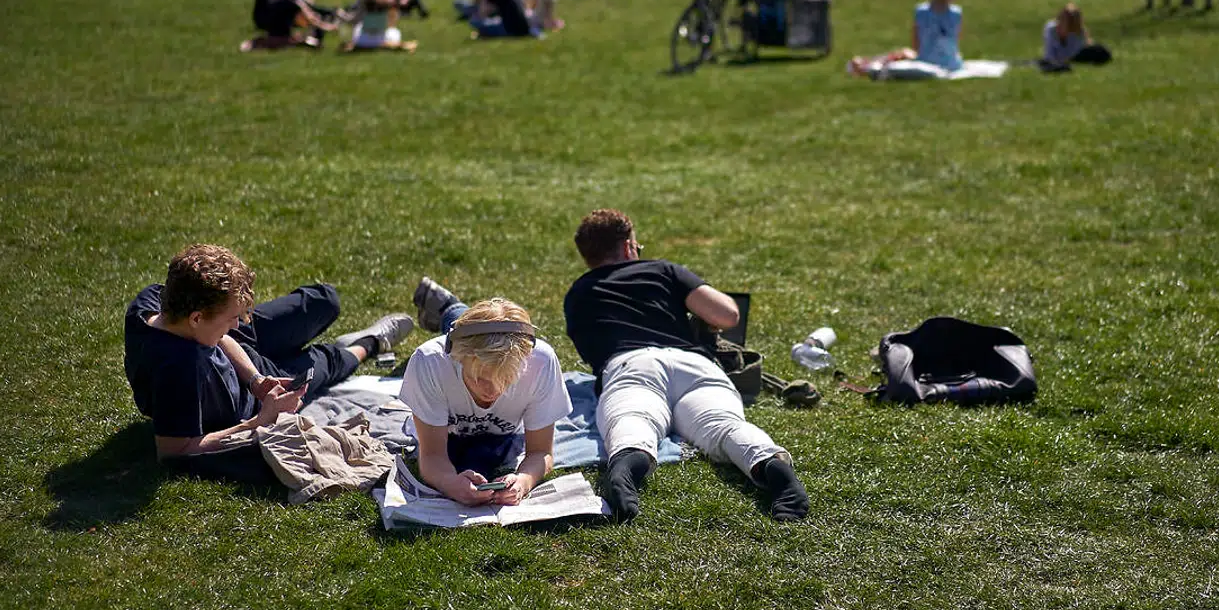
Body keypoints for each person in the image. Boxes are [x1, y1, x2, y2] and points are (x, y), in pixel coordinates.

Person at [563, 210, 808, 523]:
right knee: (724, 425)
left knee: (634, 420)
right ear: (627, 246)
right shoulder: (663, 270)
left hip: (632, 365)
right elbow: (728, 315)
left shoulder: (579, 293)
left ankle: (627, 465)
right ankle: (772, 466)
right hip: (694, 364)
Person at [122, 244, 412, 482]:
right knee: (325, 362)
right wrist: (261, 420)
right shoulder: (178, 370)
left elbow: (223, 336)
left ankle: (265, 341)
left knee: (324, 300)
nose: (238, 322)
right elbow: (174, 451)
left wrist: (256, 380)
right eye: (232, 317)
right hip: (252, 400)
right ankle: (370, 343)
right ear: (197, 318)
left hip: (243, 360)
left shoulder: (155, 304)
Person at [402, 283, 571, 506]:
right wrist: (449, 483)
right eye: (479, 378)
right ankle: (448, 308)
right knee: (464, 325)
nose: (492, 391)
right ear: (458, 358)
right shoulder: (431, 362)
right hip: (456, 430)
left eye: (506, 380)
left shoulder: (540, 361)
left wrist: (524, 481)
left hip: (500, 438)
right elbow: (432, 455)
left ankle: (448, 306)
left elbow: (541, 452)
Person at [846, 0, 964, 79]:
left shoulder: (922, 12)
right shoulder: (956, 13)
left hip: (931, 60)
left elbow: (916, 39)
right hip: (948, 61)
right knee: (903, 54)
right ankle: (866, 63)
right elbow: (956, 39)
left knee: (901, 57)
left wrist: (918, 53)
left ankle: (866, 65)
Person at [241, 0, 337, 51]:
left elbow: (309, 17)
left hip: (272, 30)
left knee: (274, 41)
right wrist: (328, 27)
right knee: (299, 42)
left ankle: (252, 44)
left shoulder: (277, 1)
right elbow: (311, 19)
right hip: (281, 34)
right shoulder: (291, 3)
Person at [340, 0, 417, 52]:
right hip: (381, 40)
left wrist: (341, 15)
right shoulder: (389, 1)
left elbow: (353, 20)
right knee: (394, 31)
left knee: (358, 27)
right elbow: (392, 22)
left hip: (362, 41)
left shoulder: (364, 2)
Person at [1040, 3, 1111, 71]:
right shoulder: (1050, 28)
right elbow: (1049, 53)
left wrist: (1058, 61)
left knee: (1098, 52)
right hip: (1071, 53)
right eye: (1061, 20)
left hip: (1079, 52)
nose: (1061, 24)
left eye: (1066, 23)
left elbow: (1068, 54)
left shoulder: (1078, 34)